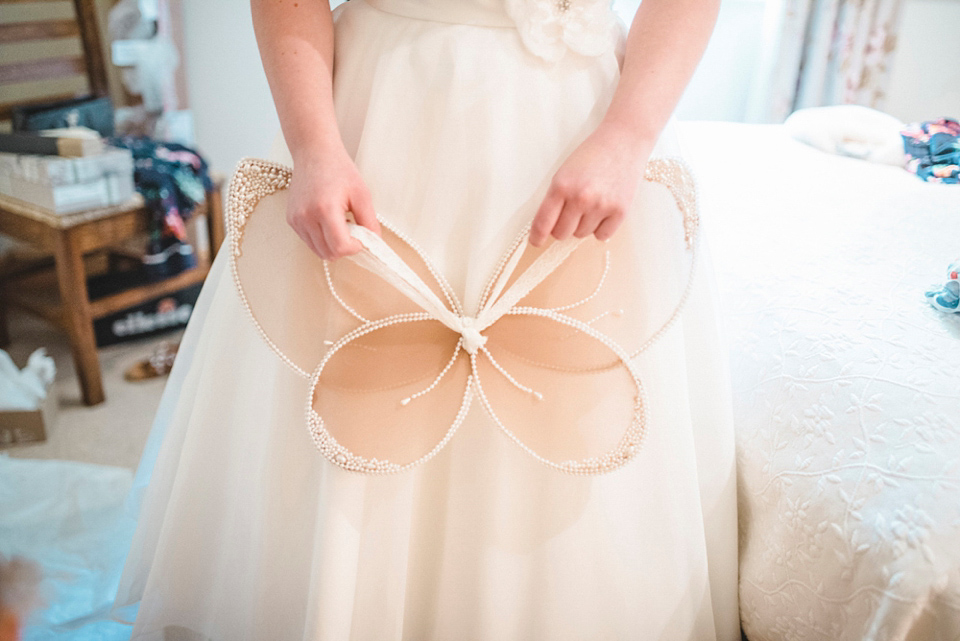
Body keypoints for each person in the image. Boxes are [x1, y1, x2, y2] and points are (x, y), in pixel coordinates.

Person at [110, 0, 740, 637]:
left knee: (568, 401)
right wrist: (314, 146)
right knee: (364, 400)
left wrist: (629, 136)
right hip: (385, 114)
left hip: (579, 124)